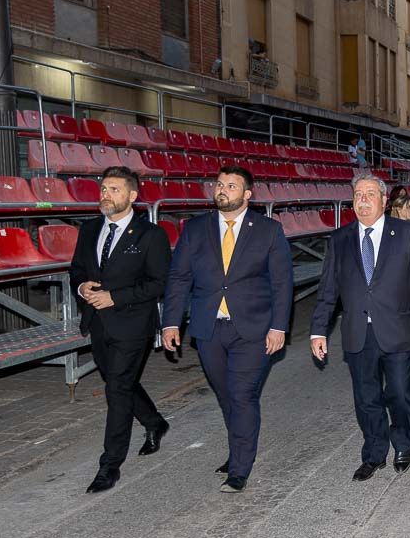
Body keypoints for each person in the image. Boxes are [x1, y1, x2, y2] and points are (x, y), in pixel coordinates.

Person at [162, 166, 293, 493]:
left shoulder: (268, 231)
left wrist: (279, 326)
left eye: (231, 185)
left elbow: (281, 283)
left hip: (254, 328)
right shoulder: (195, 229)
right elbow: (179, 278)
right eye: (219, 184)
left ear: (247, 194)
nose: (222, 190)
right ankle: (238, 447)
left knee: (242, 394)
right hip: (209, 328)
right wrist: (170, 321)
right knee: (225, 395)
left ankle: (240, 468)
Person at [310, 174, 410, 481]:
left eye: (370, 194)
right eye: (357, 195)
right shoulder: (340, 240)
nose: (363, 200)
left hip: (397, 330)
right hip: (358, 332)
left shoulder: (406, 233)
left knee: (399, 392)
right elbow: (328, 289)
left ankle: (403, 442)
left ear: (384, 201)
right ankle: (374, 452)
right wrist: (318, 330)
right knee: (366, 398)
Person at [70, 166, 172, 494]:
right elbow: (76, 271)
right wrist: (82, 287)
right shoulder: (88, 230)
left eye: (114, 189)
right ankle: (155, 422)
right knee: (120, 382)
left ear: (132, 196)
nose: (105, 195)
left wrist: (114, 297)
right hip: (97, 323)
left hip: (132, 323)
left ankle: (110, 465)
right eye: (103, 188)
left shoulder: (150, 235)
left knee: (116, 389)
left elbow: (159, 283)